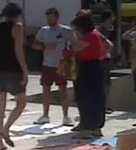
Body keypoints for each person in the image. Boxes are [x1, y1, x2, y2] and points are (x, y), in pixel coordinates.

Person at [0, 2, 27, 150]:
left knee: (0, 107)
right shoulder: (17, 28)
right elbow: (18, 51)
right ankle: (6, 128)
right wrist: (24, 70)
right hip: (12, 69)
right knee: (21, 101)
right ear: (17, 15)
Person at [31, 8, 73, 126]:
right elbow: (34, 44)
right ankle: (45, 115)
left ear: (56, 17)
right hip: (47, 64)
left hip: (60, 64)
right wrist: (44, 46)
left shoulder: (65, 30)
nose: (49, 20)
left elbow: (73, 44)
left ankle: (66, 116)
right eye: (47, 18)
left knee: (62, 90)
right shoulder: (43, 30)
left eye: (51, 17)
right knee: (46, 90)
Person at [71, 12, 106, 140]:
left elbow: (76, 47)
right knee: (96, 97)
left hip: (89, 67)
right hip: (94, 66)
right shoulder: (95, 34)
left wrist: (73, 35)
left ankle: (87, 128)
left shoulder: (90, 36)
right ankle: (96, 127)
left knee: (86, 98)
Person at [97, 10, 116, 113]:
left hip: (107, 57)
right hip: (102, 57)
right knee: (104, 83)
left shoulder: (110, 27)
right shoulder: (101, 29)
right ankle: (102, 106)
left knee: (107, 83)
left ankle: (105, 104)